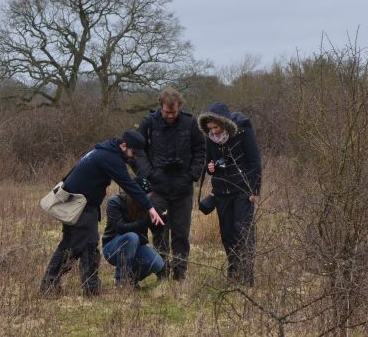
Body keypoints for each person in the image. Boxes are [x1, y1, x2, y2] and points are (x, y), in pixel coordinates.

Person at [40, 130, 164, 296]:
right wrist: (150, 208)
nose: (134, 157)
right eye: (133, 152)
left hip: (82, 205)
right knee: (73, 246)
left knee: (89, 246)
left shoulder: (102, 151)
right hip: (81, 206)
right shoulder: (110, 158)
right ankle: (49, 284)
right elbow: (129, 185)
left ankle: (90, 288)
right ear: (124, 145)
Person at [135, 87, 206, 280]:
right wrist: (150, 174)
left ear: (179, 107)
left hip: (183, 187)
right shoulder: (148, 123)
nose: (171, 115)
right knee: (159, 231)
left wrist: (192, 174)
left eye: (174, 112)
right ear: (161, 107)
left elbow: (201, 149)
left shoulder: (190, 123)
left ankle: (180, 273)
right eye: (167, 112)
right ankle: (162, 272)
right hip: (158, 188)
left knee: (181, 233)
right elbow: (137, 152)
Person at [198, 103, 261, 286]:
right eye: (210, 129)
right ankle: (234, 273)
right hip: (222, 191)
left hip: (243, 190)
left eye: (216, 127)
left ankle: (247, 278)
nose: (214, 132)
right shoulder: (210, 137)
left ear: (224, 123)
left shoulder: (243, 129)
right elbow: (212, 163)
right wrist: (211, 168)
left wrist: (254, 190)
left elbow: (254, 161)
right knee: (227, 234)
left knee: (243, 231)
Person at [101, 192, 165, 288]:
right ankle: (121, 281)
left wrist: (161, 223)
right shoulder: (115, 201)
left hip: (136, 247)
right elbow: (120, 227)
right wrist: (143, 222)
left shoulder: (149, 206)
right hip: (112, 248)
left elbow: (155, 231)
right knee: (132, 237)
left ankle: (131, 280)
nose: (147, 199)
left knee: (157, 263)